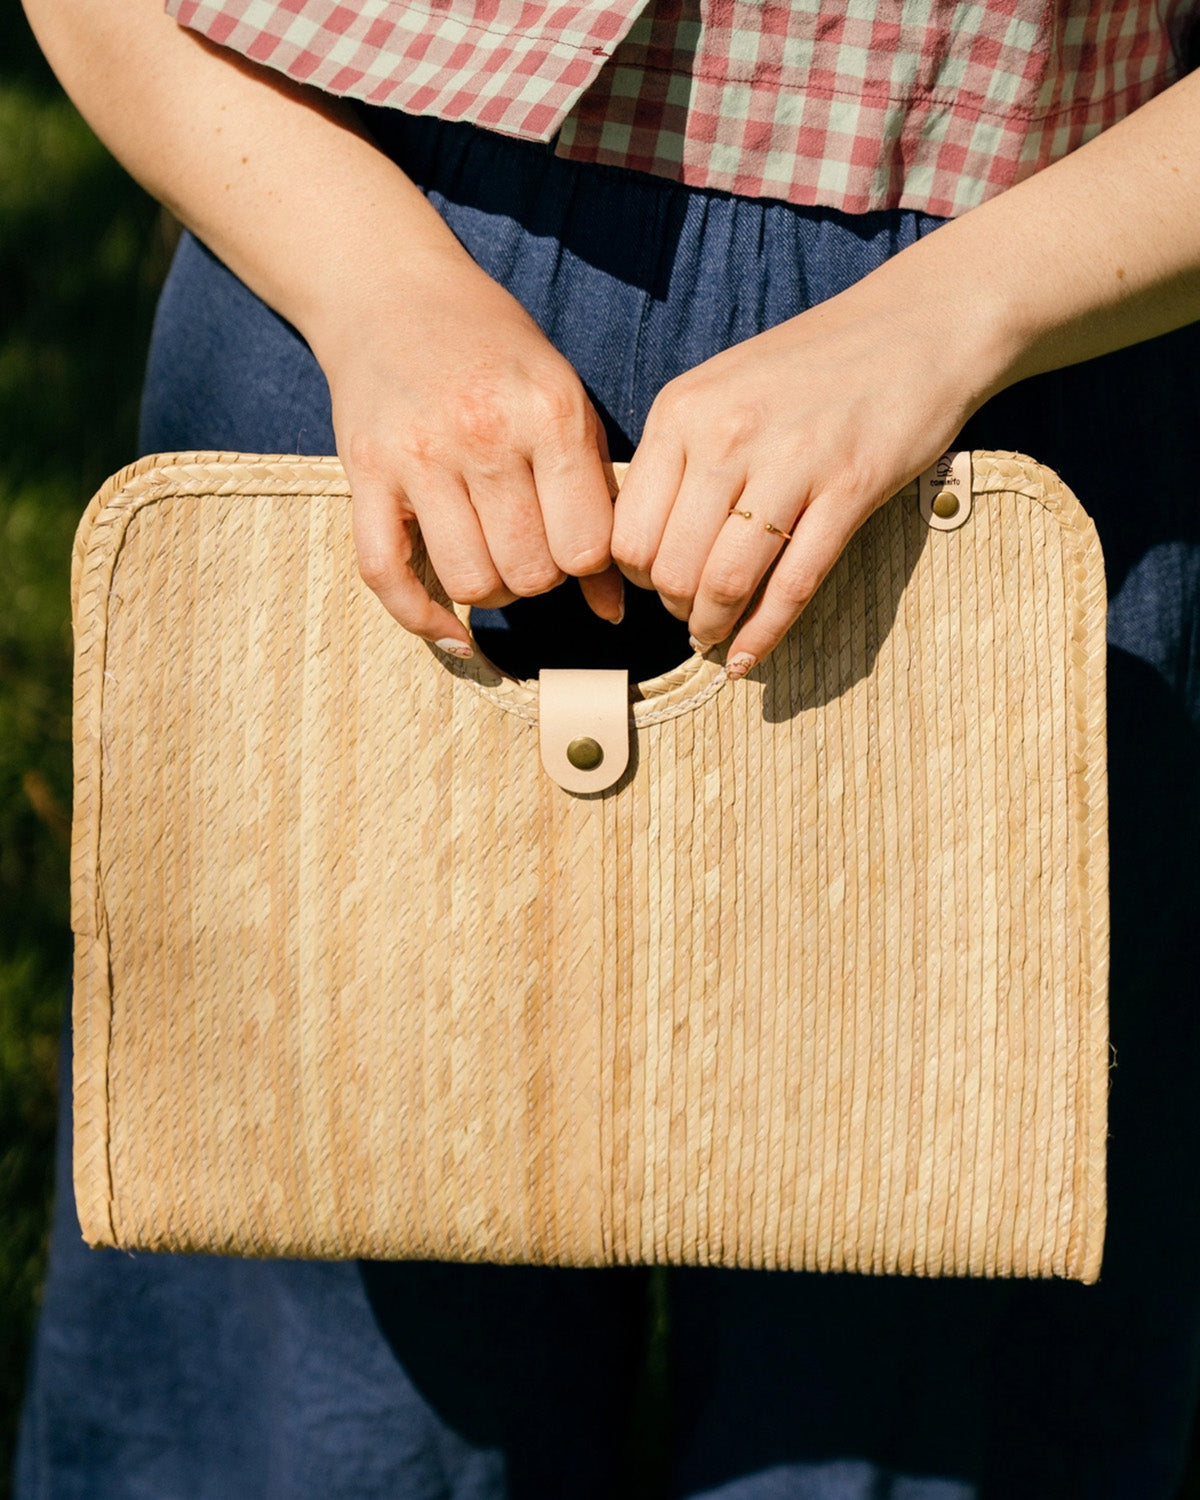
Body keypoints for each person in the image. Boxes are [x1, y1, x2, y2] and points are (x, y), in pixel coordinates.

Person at [15, 0, 1200, 1494]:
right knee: (321, 1389)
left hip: (1026, 348)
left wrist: (956, 318)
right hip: (357, 269)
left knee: (925, 1377)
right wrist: (376, 292)